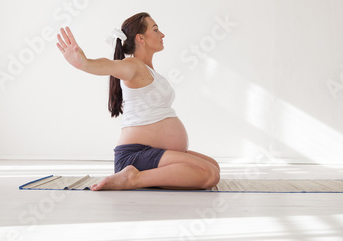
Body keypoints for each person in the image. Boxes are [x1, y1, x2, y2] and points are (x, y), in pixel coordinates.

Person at [56, 12, 220, 191]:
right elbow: (111, 66)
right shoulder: (134, 66)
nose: (162, 35)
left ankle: (146, 176)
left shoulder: (147, 70)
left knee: (213, 166)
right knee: (209, 174)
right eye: (156, 30)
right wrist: (84, 62)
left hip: (149, 151)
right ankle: (132, 178)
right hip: (135, 155)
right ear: (140, 38)